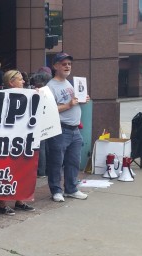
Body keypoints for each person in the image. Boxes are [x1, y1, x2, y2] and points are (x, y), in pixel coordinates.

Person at [46, 52, 90, 202]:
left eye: (69, 64)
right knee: (56, 162)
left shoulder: (69, 83)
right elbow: (50, 109)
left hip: (75, 129)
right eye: (64, 64)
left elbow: (74, 102)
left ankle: (71, 189)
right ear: (55, 66)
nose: (67, 66)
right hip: (60, 129)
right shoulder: (50, 86)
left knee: (73, 161)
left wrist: (82, 100)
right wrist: (69, 104)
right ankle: (56, 190)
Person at [0, 70, 36, 215]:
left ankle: (19, 200)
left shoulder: (27, 96)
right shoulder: (1, 97)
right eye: (20, 79)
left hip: (23, 139)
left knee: (22, 170)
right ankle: (3, 204)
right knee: (7, 171)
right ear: (11, 82)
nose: (23, 82)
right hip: (6, 140)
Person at [30, 68, 53, 178]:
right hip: (50, 120)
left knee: (42, 146)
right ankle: (47, 170)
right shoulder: (51, 89)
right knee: (48, 147)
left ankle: (41, 170)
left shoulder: (38, 91)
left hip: (40, 120)